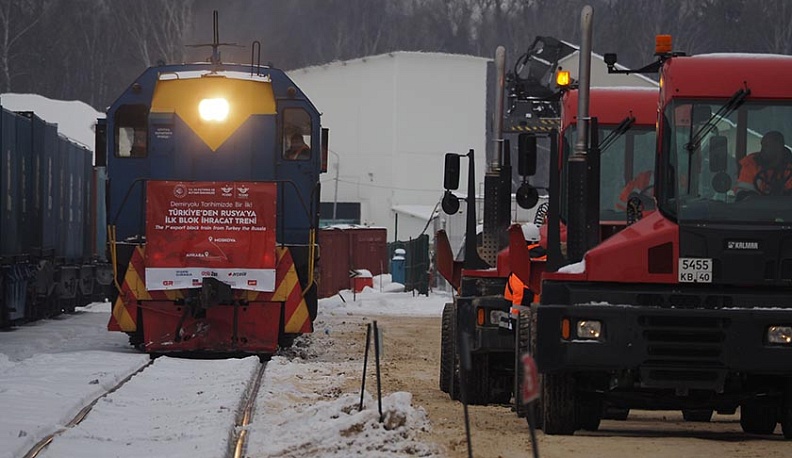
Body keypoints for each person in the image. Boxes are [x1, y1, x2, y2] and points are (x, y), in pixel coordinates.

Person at [736, 130, 792, 198]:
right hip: (755, 207)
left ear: (779, 147)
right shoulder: (751, 164)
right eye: (762, 145)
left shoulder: (789, 168)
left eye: (766, 146)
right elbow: (742, 195)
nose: (762, 150)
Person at [504, 223, 546, 307]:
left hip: (521, 312)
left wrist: (514, 317)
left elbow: (519, 293)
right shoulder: (547, 257)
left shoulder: (521, 262)